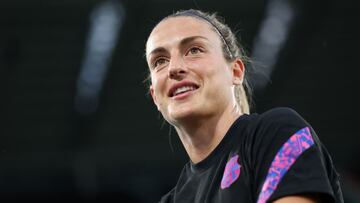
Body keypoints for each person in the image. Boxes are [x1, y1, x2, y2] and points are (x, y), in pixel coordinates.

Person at [145, 9, 344, 203]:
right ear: (155, 96)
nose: (174, 68)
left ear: (236, 71)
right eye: (159, 61)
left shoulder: (275, 132)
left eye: (194, 50)